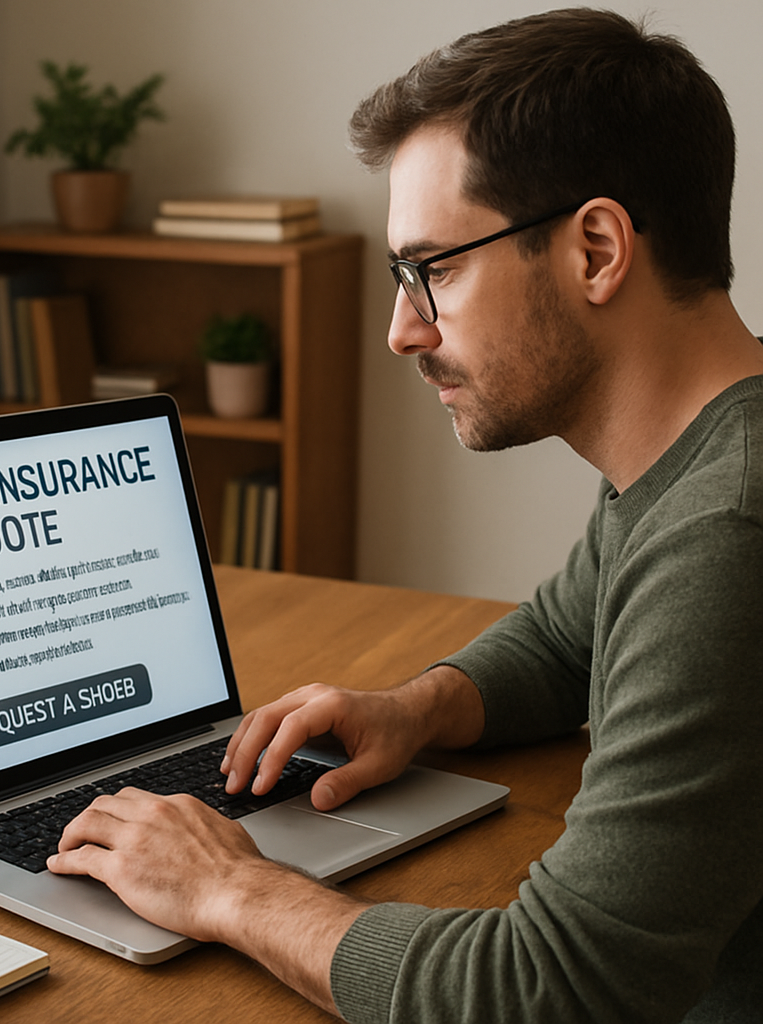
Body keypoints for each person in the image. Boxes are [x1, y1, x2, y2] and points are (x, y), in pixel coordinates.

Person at [47, 9, 763, 1022]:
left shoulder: (727, 534)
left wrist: (227, 886)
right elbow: (570, 635)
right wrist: (416, 706)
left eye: (437, 267)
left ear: (596, 249)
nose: (401, 328)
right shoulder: (706, 452)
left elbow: (547, 992)